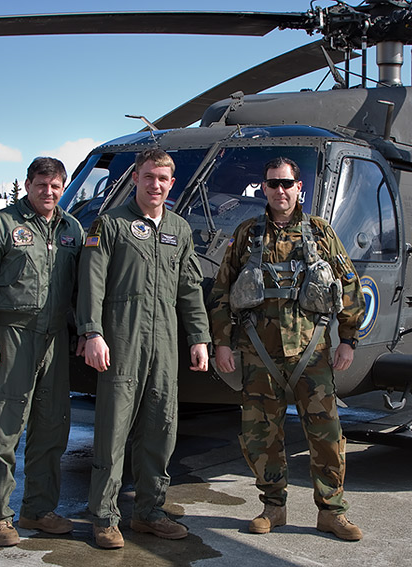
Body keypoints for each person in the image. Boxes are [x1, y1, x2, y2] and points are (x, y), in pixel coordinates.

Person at [209, 156, 366, 541]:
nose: (280, 190)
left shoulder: (320, 232)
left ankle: (332, 512)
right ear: (263, 188)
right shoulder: (247, 234)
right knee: (261, 434)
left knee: (326, 434)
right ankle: (273, 507)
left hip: (311, 354)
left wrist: (348, 339)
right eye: (273, 183)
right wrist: (222, 343)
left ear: (299, 188)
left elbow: (349, 284)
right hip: (258, 353)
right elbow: (222, 291)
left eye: (286, 183)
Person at [77, 148, 210, 549]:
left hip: (165, 341)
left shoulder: (179, 229)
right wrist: (92, 333)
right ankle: (104, 516)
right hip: (122, 338)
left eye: (162, 179)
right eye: (148, 176)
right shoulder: (111, 224)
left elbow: (189, 288)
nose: (155, 185)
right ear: (135, 178)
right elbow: (92, 282)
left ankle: (150, 511)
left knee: (161, 427)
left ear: (172, 184)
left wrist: (199, 337)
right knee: (113, 429)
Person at [0, 157, 84, 547]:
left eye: (56, 186)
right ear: (28, 185)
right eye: (41, 184)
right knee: (5, 428)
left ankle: (39, 509)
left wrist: (86, 330)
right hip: (12, 334)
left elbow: (83, 286)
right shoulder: (1, 224)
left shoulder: (71, 229)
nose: (48, 192)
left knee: (51, 427)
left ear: (62, 187)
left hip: (55, 338)